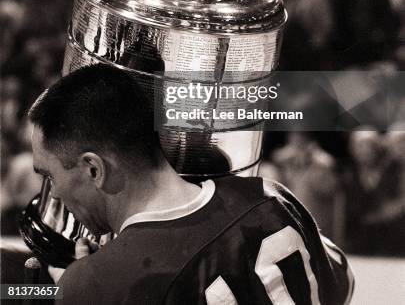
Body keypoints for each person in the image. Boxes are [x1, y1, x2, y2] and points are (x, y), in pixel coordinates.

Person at [29, 65, 354, 304]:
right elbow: (343, 282)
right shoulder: (270, 197)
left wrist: (85, 283)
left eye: (50, 175)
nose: (53, 191)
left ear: (93, 169)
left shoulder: (97, 285)